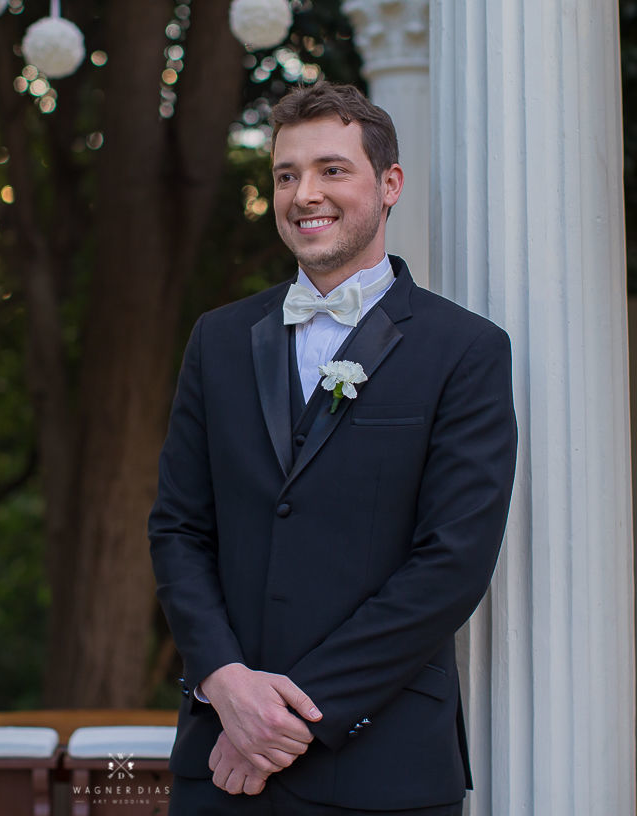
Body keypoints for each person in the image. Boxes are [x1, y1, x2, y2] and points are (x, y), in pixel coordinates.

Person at [148, 81, 518, 815]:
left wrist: (286, 718)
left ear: (389, 185)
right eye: (286, 174)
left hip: (383, 767)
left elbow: (452, 563)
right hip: (220, 762)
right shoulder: (217, 340)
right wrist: (224, 679)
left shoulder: (465, 350)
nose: (303, 193)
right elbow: (179, 529)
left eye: (331, 170)